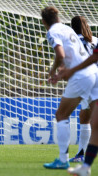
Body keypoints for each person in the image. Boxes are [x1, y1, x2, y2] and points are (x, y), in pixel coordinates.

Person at [41, 7, 98, 169]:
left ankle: (63, 159)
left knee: (61, 114)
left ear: (44, 21)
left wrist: (53, 71)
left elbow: (60, 55)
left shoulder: (52, 32)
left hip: (81, 76)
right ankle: (85, 166)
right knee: (94, 121)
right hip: (94, 73)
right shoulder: (67, 29)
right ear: (58, 17)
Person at [57, 40, 98, 176]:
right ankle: (85, 167)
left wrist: (71, 71)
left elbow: (93, 58)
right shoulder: (93, 40)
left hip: (89, 81)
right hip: (95, 84)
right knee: (95, 124)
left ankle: (82, 161)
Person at [69, 16, 98, 163]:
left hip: (88, 81)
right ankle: (82, 153)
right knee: (86, 117)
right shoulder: (95, 40)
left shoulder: (73, 41)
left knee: (88, 119)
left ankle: (81, 154)